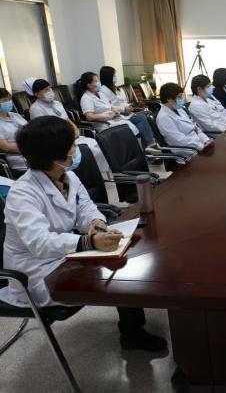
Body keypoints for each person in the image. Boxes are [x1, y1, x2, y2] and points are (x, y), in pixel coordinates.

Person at [0, 116, 167, 351]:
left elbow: (86, 208)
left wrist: (96, 223)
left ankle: (132, 330)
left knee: (120, 257)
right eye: (73, 145)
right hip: (36, 272)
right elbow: (40, 243)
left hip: (63, 255)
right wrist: (89, 242)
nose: (77, 149)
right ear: (55, 156)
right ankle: (132, 334)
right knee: (115, 274)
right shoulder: (22, 194)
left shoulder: (67, 176)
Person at [25, 77, 111, 173]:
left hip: (70, 137)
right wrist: (67, 136)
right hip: (57, 141)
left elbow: (67, 120)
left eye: (49, 88)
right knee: (91, 151)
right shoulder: (35, 108)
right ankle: (90, 174)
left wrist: (75, 129)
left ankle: (98, 173)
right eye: (45, 90)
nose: (49, 91)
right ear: (37, 94)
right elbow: (44, 131)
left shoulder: (56, 103)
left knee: (98, 145)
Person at [74, 72, 159, 154]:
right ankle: (149, 149)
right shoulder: (86, 98)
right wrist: (109, 117)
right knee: (141, 126)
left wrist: (117, 111)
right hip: (106, 124)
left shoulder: (100, 94)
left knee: (142, 119)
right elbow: (89, 116)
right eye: (96, 81)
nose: (99, 83)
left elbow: (110, 106)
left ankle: (150, 147)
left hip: (116, 118)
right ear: (89, 85)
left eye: (98, 80)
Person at [156, 82, 213, 152]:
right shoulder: (163, 117)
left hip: (198, 144)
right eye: (179, 97)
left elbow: (195, 127)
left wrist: (206, 140)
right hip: (187, 150)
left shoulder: (179, 109)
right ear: (169, 99)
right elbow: (179, 140)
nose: (182, 99)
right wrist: (201, 146)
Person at [0, 88, 28, 174]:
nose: (9, 102)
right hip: (19, 158)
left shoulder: (15, 115)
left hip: (34, 151)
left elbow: (32, 130)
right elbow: (6, 147)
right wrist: (30, 146)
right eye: (5, 100)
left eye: (9, 99)